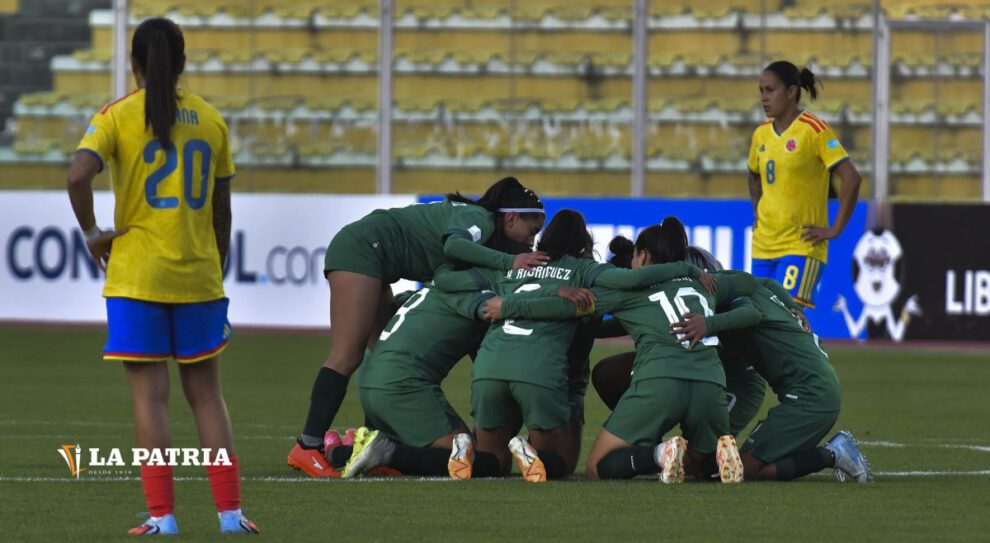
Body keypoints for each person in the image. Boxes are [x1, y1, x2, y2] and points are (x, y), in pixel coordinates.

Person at [67, 18, 258, 535]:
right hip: (198, 277)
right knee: (208, 398)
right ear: (182, 63)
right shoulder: (212, 120)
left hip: (136, 277)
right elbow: (223, 210)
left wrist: (92, 234)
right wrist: (212, 268)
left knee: (150, 400)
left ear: (134, 63)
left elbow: (77, 174)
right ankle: (230, 515)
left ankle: (162, 518)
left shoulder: (117, 116)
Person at [288, 177, 550, 477]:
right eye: (532, 231)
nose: (531, 242)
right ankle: (308, 446)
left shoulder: (479, 228)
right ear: (511, 218)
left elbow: (445, 270)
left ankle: (370, 442)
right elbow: (453, 244)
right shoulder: (481, 219)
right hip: (364, 250)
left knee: (385, 351)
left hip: (375, 255)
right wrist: (510, 261)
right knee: (347, 355)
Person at [433, 210, 709, 481]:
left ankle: (466, 449)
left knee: (493, 462)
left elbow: (446, 280)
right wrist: (685, 267)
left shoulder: (515, 266)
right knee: (561, 463)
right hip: (538, 370)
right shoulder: (583, 269)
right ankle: (530, 452)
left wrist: (441, 262)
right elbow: (632, 280)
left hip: (488, 366)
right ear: (584, 245)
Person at [582, 218, 756, 483]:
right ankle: (712, 457)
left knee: (597, 467)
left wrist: (511, 306)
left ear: (642, 256)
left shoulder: (629, 285)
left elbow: (570, 308)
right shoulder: (703, 282)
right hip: (710, 382)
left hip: (660, 380)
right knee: (697, 463)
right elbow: (750, 284)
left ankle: (660, 453)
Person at [671, 278, 874, 483]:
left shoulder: (740, 303)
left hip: (810, 396)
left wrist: (708, 324)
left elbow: (751, 314)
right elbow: (768, 282)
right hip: (815, 389)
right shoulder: (757, 290)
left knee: (743, 469)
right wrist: (794, 306)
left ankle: (832, 454)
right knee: (736, 464)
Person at [748, 61, 862, 308]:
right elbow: (753, 174)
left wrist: (835, 229)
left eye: (770, 90)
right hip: (763, 246)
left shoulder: (814, 130)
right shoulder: (761, 135)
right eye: (761, 91)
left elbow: (851, 177)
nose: (764, 98)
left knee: (785, 320)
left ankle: (808, 348)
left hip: (801, 246)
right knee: (757, 321)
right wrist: (757, 210)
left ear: (791, 92)